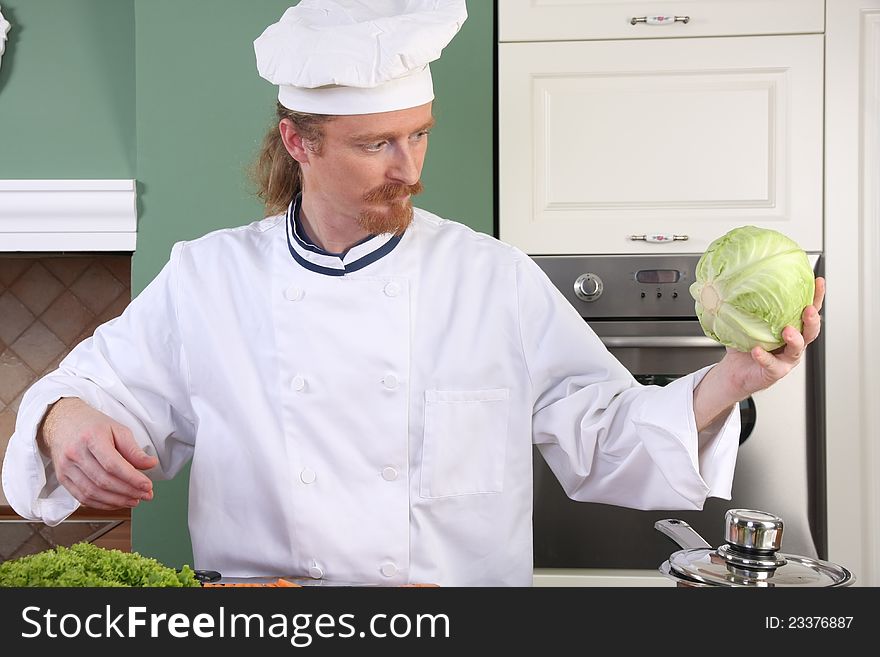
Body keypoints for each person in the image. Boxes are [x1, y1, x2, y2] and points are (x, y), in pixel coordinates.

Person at [1, 0, 824, 586]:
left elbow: (605, 433)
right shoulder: (208, 279)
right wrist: (64, 421)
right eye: (376, 144)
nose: (411, 168)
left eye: (419, 133)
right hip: (267, 621)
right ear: (299, 141)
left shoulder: (493, 279)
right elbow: (80, 393)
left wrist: (732, 380)